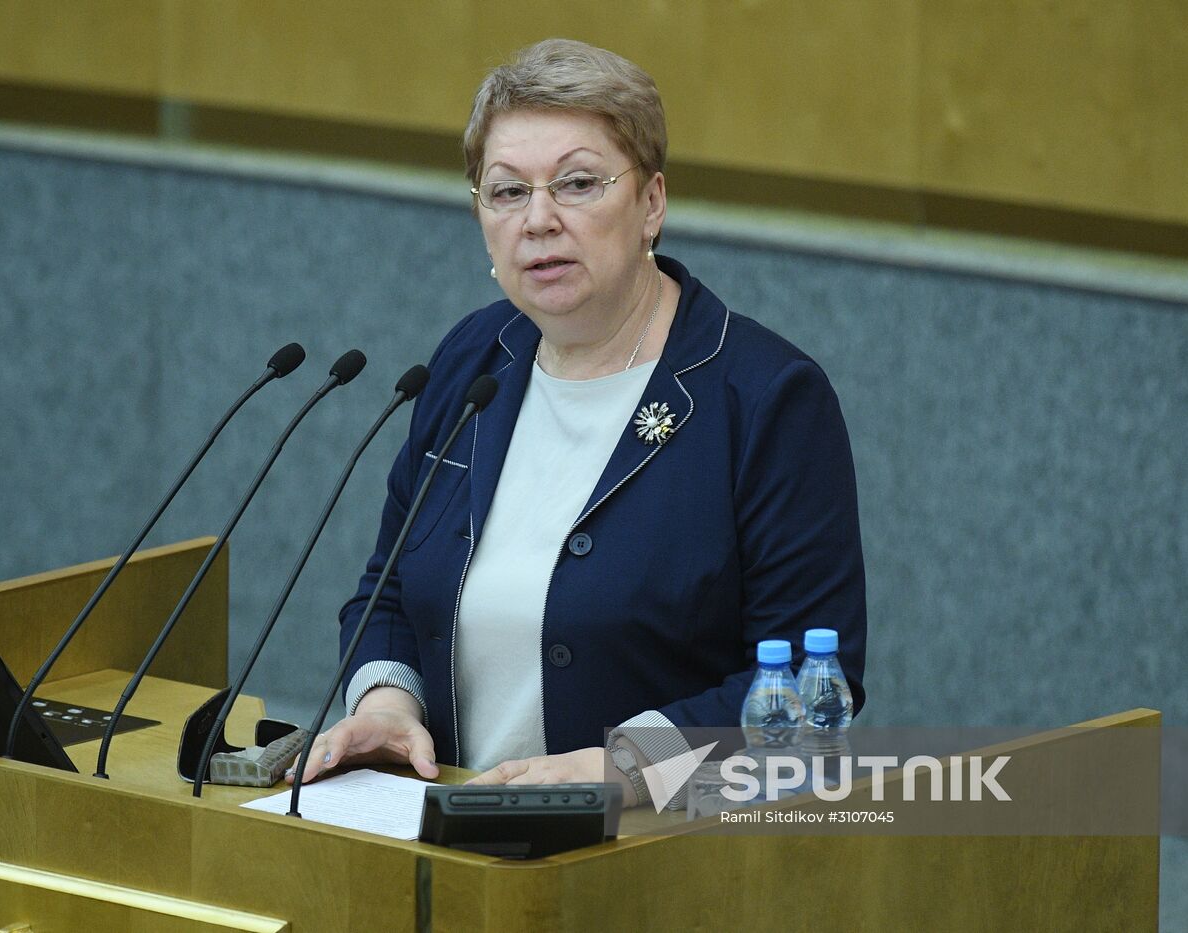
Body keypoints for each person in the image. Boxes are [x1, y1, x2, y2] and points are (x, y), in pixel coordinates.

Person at [289, 38, 866, 808]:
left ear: (651, 204)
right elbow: (390, 588)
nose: (539, 220)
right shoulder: (471, 360)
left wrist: (628, 766)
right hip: (458, 835)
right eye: (507, 191)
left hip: (664, 848)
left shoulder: (763, 396)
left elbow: (809, 683)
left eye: (578, 183)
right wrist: (388, 706)